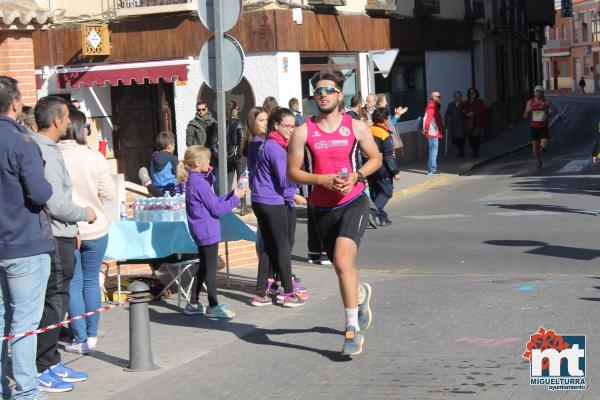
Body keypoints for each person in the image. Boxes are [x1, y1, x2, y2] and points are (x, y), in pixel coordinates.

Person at [287, 70, 382, 356]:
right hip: (322, 207)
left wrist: (358, 176)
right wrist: (321, 180)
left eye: (329, 90)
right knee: (345, 268)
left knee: (342, 261)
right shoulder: (303, 131)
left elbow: (376, 158)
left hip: (353, 201)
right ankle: (361, 295)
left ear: (340, 95)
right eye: (318, 91)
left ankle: (351, 329)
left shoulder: (356, 127)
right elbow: (292, 171)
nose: (324, 95)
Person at [31, 96, 96, 393]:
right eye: (67, 117)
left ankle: (51, 359)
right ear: (57, 120)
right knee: (54, 300)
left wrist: (74, 228)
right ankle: (42, 364)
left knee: (57, 299)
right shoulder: (42, 150)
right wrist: (83, 215)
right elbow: (55, 201)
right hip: (54, 236)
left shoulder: (46, 148)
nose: (70, 122)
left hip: (63, 232)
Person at [0, 76, 54, 400]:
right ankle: (26, 393)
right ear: (16, 104)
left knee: (2, 320)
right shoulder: (22, 142)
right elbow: (40, 192)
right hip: (24, 242)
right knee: (23, 324)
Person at [58, 108, 115, 355]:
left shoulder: (53, 155)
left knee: (73, 283)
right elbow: (109, 194)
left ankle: (79, 337)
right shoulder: (94, 157)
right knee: (92, 282)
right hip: (97, 227)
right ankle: (91, 336)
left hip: (67, 229)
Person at [177, 146, 244, 318]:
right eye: (207, 160)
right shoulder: (199, 182)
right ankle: (214, 305)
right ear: (198, 163)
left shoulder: (195, 180)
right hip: (207, 231)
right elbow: (216, 209)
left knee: (204, 267)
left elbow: (212, 201)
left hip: (201, 230)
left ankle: (193, 303)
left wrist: (231, 195)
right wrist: (236, 198)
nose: (210, 163)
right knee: (210, 268)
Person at [248, 108, 305, 307]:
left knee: (269, 246)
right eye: (286, 126)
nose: (291, 130)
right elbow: (284, 179)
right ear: (276, 126)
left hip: (259, 199)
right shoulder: (275, 148)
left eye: (293, 126)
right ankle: (288, 293)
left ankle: (260, 293)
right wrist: (295, 194)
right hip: (271, 201)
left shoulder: (268, 143)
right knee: (282, 246)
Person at [368, 108, 401, 226]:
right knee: (387, 191)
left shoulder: (368, 129)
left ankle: (383, 218)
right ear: (386, 119)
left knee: (376, 191)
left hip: (368, 166)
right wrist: (395, 172)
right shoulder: (384, 134)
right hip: (382, 168)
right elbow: (388, 156)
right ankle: (372, 212)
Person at [208, 100, 245, 196]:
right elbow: (242, 140)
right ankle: (242, 203)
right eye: (236, 109)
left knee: (227, 181)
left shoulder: (219, 123)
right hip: (237, 157)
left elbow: (213, 142)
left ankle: (226, 202)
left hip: (226, 155)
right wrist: (239, 154)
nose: (237, 111)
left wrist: (219, 155)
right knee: (241, 181)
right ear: (232, 110)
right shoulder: (238, 123)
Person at [523, 85, 558, 168]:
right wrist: (528, 112)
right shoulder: (530, 102)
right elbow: (524, 115)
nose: (538, 93)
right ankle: (538, 160)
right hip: (534, 127)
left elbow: (555, 110)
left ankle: (542, 149)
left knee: (544, 146)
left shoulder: (546, 102)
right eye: (536, 91)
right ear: (534, 93)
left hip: (543, 126)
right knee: (535, 147)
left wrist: (548, 116)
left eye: (540, 92)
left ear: (543, 93)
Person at [149, 131, 179, 196]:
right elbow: (179, 174)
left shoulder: (153, 157)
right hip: (172, 191)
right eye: (174, 145)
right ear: (169, 147)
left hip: (156, 192)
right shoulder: (172, 158)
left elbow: (151, 173)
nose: (174, 147)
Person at [423, 92, 443, 176]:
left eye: (440, 96)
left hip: (433, 131)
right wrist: (426, 129)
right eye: (437, 96)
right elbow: (427, 119)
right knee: (433, 150)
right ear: (432, 97)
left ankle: (431, 168)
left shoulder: (433, 105)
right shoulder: (431, 106)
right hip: (432, 131)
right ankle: (432, 169)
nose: (439, 98)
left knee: (433, 150)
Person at [462, 87, 485, 159]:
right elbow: (462, 111)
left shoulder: (480, 101)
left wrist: (473, 113)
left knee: (476, 137)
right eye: (470, 93)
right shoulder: (466, 102)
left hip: (477, 122)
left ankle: (476, 152)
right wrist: (466, 114)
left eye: (473, 93)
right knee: (470, 138)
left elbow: (482, 111)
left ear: (476, 94)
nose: (472, 94)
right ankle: (474, 150)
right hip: (468, 123)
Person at [445, 91, 465, 158]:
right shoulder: (451, 105)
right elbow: (447, 114)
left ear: (460, 97)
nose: (456, 98)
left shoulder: (464, 104)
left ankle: (461, 151)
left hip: (462, 124)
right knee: (455, 139)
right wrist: (447, 123)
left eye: (458, 96)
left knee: (461, 138)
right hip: (454, 124)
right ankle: (459, 149)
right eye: (455, 96)